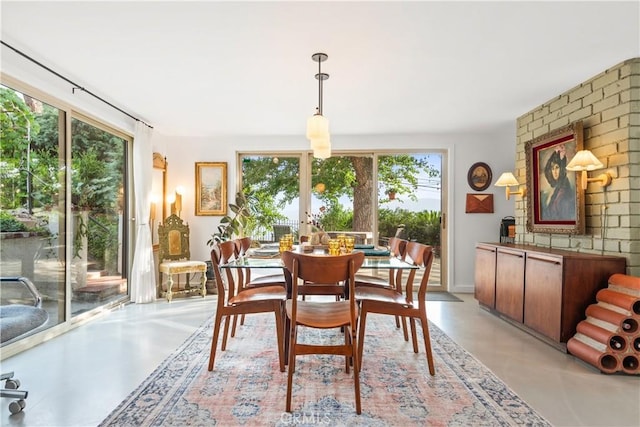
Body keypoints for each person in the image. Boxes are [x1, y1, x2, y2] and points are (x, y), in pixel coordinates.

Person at [541, 147, 575, 221]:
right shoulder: (558, 188)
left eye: (557, 167)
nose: (555, 172)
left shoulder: (565, 189)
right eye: (552, 169)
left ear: (562, 168)